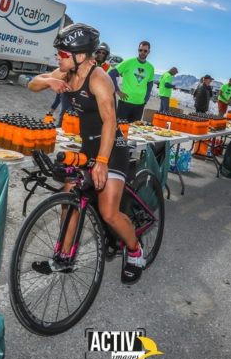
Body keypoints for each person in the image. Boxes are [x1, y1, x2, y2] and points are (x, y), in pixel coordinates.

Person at [28, 24, 146, 284]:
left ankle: (135, 250)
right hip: (87, 147)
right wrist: (49, 81)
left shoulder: (99, 79)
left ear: (80, 55)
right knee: (69, 197)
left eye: (63, 53)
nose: (58, 57)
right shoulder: (66, 72)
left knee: (108, 212)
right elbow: (31, 84)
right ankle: (63, 258)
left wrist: (102, 162)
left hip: (112, 148)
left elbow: (110, 122)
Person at [109, 41, 155, 122]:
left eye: (145, 51)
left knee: (134, 129)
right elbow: (111, 73)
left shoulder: (150, 67)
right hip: (125, 102)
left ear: (149, 52)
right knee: (119, 127)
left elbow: (150, 84)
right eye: (140, 50)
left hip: (140, 104)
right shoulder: (129, 62)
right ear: (138, 50)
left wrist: (146, 99)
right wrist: (117, 91)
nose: (142, 52)